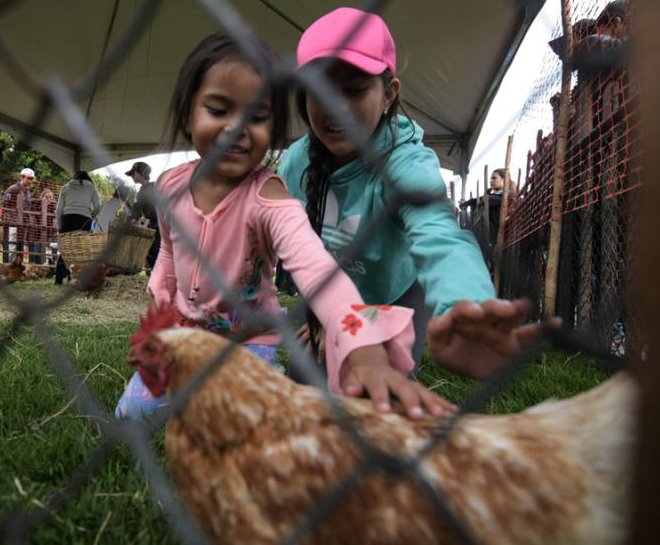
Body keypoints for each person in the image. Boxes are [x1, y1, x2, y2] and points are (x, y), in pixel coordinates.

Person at [115, 32, 456, 421]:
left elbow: (315, 267)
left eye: (256, 116)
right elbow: (170, 251)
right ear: (187, 116)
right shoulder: (172, 186)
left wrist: (361, 344)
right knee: (134, 414)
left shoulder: (269, 197)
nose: (236, 128)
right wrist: (162, 308)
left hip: (250, 337)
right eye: (217, 109)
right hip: (183, 330)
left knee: (253, 423)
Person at [279, 7, 556, 380]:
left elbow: (439, 234)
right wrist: (326, 315)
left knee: (384, 393)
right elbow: (298, 250)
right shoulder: (295, 166)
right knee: (307, 381)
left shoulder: (406, 162)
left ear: (389, 94)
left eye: (354, 90)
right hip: (334, 296)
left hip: (396, 294)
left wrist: (466, 303)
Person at [54, 171, 102, 285]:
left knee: (65, 251)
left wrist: (60, 226)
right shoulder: (91, 187)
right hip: (84, 220)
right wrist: (91, 215)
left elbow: (59, 209)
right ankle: (75, 280)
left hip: (67, 219)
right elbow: (98, 206)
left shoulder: (65, 187)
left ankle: (58, 280)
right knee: (81, 250)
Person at [462, 168, 518, 253]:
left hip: (505, 237)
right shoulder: (493, 195)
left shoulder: (510, 194)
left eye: (494, 178)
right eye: (490, 179)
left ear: (504, 179)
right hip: (490, 236)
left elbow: (492, 200)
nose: (491, 181)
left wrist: (480, 199)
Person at [125, 161, 160, 271]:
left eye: (132, 174)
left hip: (155, 230)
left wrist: (129, 221)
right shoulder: (156, 186)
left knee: (155, 261)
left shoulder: (143, 191)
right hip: (163, 227)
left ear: (137, 173)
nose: (132, 177)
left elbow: (136, 212)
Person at [2, 168, 37, 263]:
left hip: (23, 224)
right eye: (29, 178)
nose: (31, 180)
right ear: (22, 177)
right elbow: (5, 205)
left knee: (20, 246)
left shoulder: (28, 192)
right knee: (12, 246)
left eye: (32, 178)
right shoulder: (12, 189)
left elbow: (28, 208)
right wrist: (13, 218)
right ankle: (9, 266)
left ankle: (17, 268)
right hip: (13, 222)